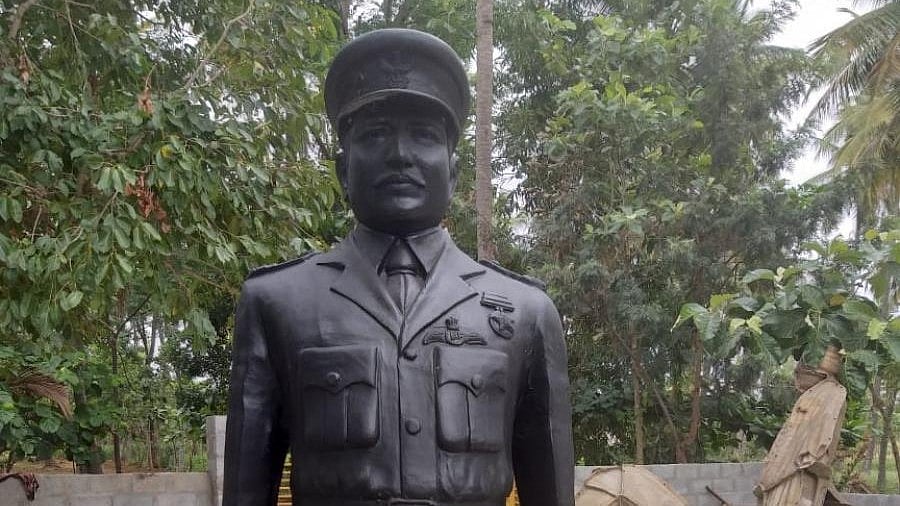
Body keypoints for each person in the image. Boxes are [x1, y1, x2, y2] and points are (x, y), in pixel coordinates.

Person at [223, 28, 574, 506]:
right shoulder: (277, 301)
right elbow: (245, 491)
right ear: (343, 171)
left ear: (452, 170)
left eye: (424, 136)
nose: (400, 155)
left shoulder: (527, 311)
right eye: (375, 134)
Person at [755, 346, 848, 506]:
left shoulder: (833, 393)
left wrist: (805, 457)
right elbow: (790, 435)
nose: (798, 371)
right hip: (783, 469)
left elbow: (819, 440)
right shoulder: (810, 395)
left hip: (799, 470)